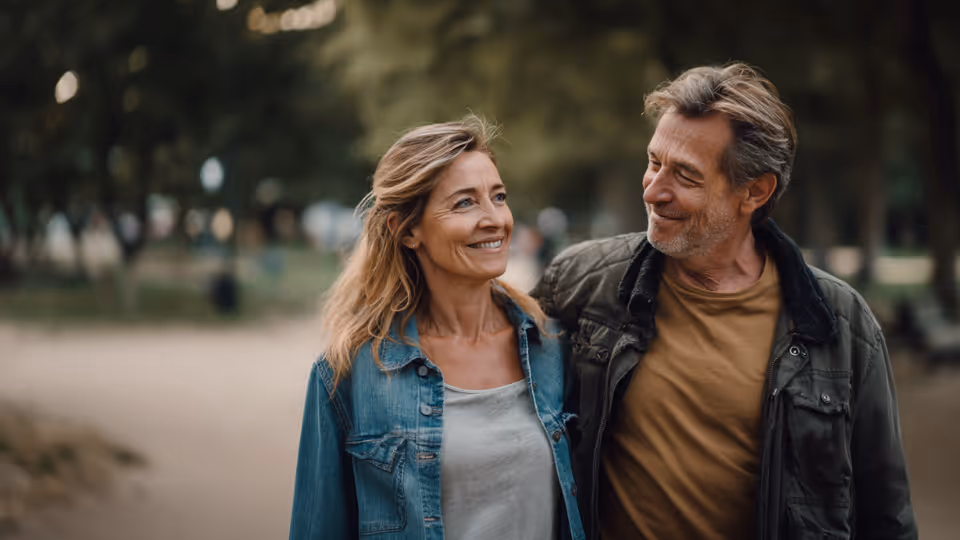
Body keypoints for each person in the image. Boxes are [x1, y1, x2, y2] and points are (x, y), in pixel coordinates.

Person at [532, 63, 917, 540]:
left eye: (686, 176)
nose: (653, 190)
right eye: (654, 162)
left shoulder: (843, 326)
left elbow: (886, 516)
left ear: (754, 191)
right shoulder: (581, 282)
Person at [289, 115, 585, 540]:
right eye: (464, 203)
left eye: (498, 197)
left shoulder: (554, 349)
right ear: (407, 230)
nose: (495, 219)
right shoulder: (349, 375)